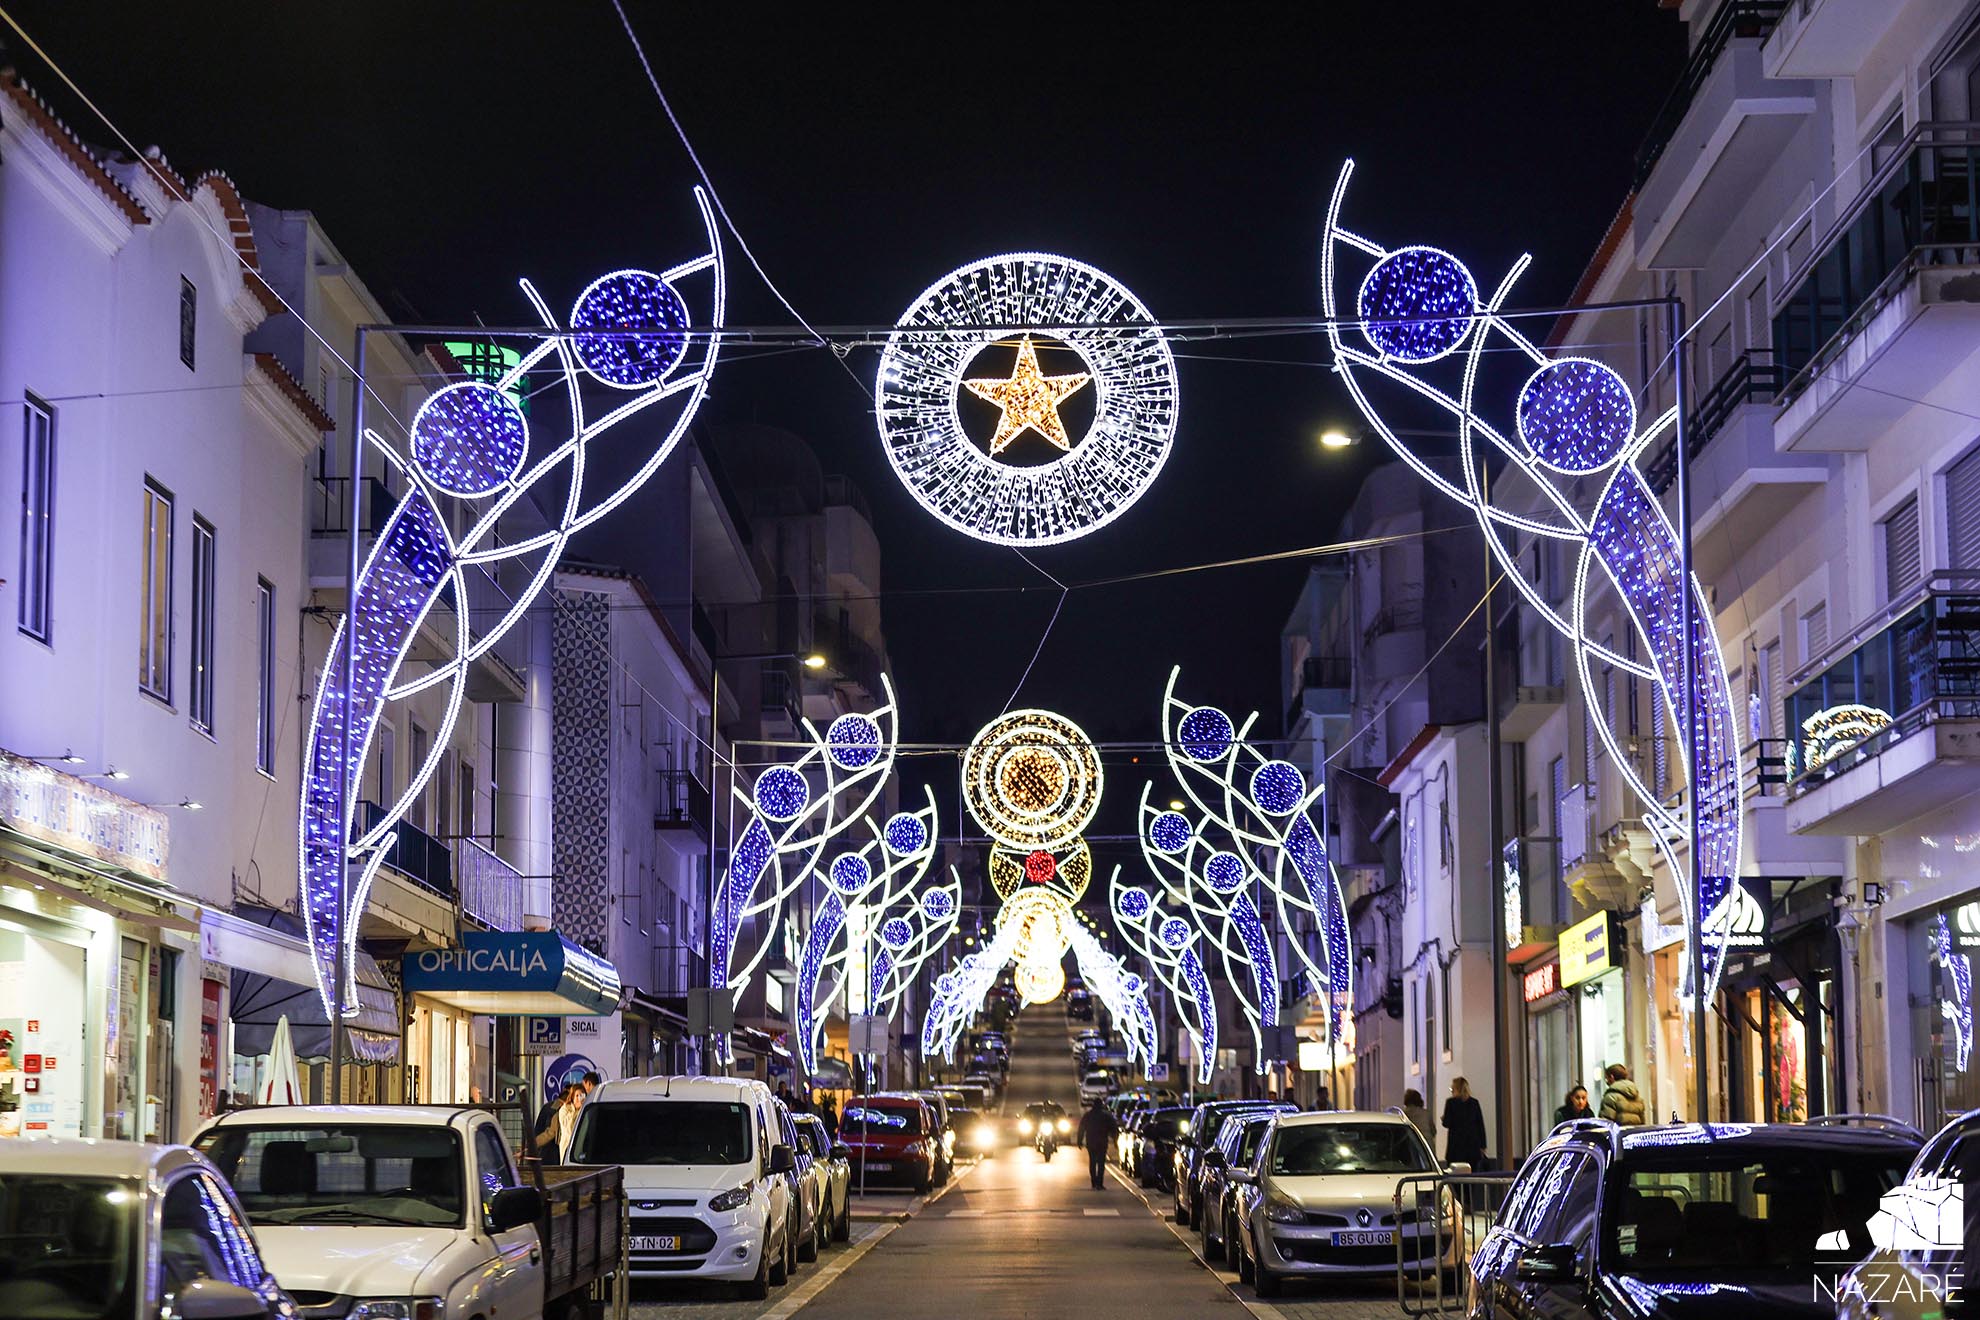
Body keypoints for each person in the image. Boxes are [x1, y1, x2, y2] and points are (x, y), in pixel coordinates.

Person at [1441, 1076, 1488, 1171]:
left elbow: (1447, 1123)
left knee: (1456, 1178)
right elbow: (1480, 1125)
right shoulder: (1474, 1103)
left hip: (1455, 1147)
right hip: (1472, 1148)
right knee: (1472, 1177)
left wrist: (1444, 1118)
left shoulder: (1451, 1103)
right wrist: (1483, 1145)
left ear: (1456, 1089)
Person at [1075, 1098, 1119, 1190]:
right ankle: (1099, 1183)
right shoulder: (1106, 1116)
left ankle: (1094, 1182)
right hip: (1102, 1142)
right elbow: (1114, 1129)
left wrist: (1079, 1141)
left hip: (1091, 1142)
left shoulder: (1088, 1116)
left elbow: (1081, 1129)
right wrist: (1115, 1141)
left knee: (1093, 1162)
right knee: (1101, 1163)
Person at [530, 1082, 577, 1166]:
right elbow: (547, 1133)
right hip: (551, 1155)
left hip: (554, 1155)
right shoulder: (551, 1110)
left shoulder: (575, 1111)